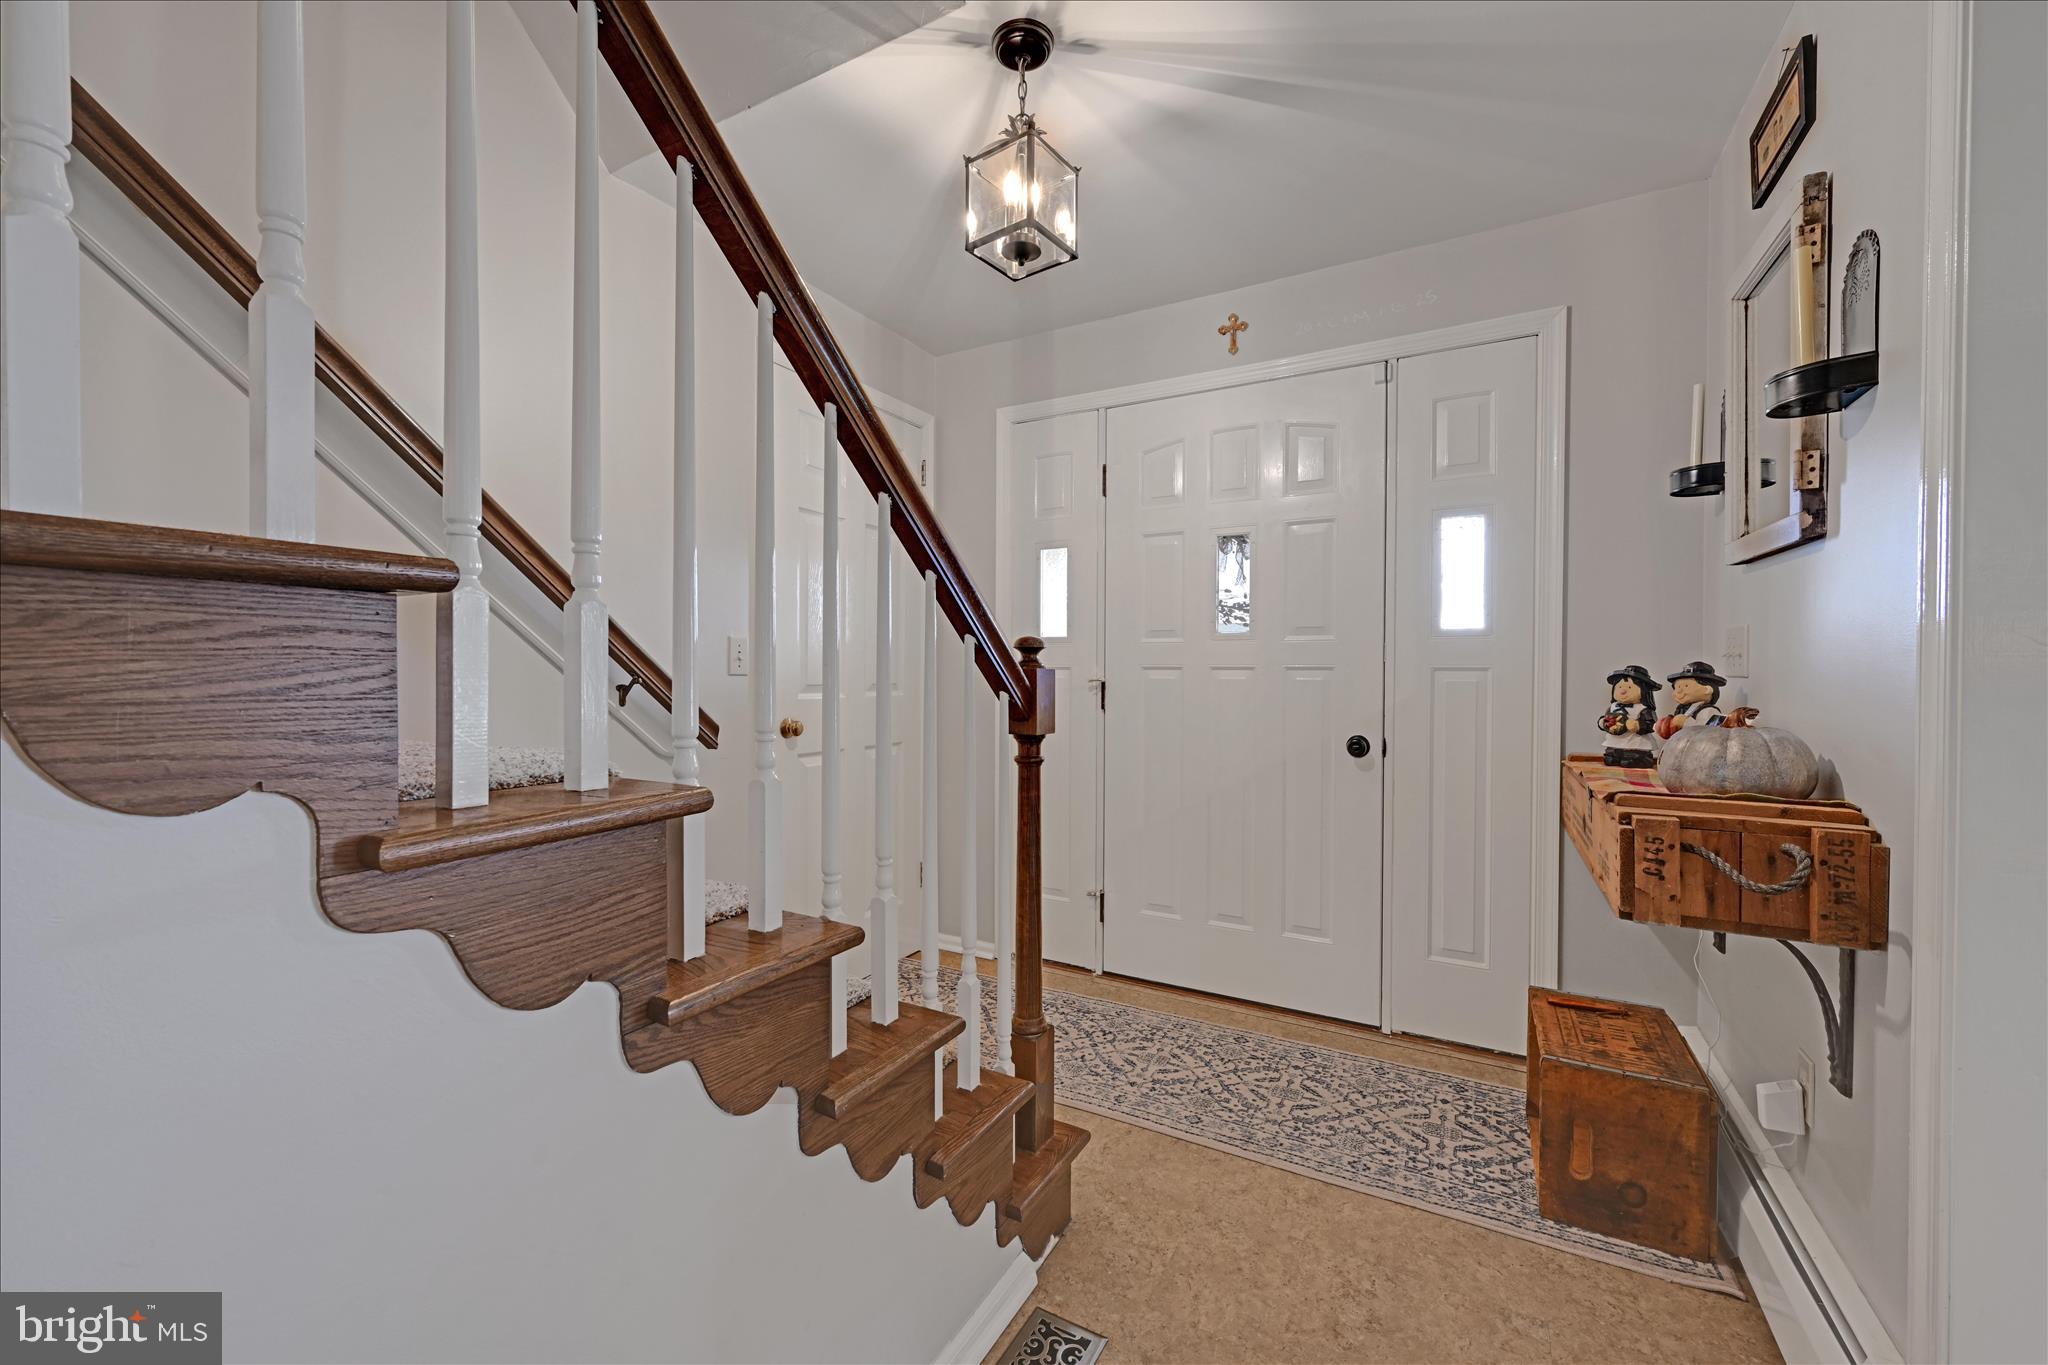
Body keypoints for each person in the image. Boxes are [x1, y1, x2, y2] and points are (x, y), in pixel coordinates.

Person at [1597, 664, 1661, 768]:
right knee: (1611, 758)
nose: (1622, 691)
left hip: (1635, 743)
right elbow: (1606, 718)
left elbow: (1652, 723)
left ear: (1644, 691)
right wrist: (1602, 722)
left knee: (1631, 760)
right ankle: (1614, 755)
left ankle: (1639, 759)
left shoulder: (1643, 709)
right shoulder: (1613, 707)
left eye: (1630, 687)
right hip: (1615, 742)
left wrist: (1638, 725)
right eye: (1620, 687)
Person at [1659, 660, 1727, 737]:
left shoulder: (1710, 711)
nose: (1678, 691)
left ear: (1707, 689)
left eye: (1686, 686)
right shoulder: (1682, 708)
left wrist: (1685, 722)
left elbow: (1713, 732)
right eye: (1677, 687)